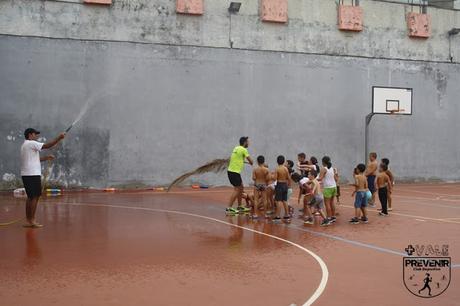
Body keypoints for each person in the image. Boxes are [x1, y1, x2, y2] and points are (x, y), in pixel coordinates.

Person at [21, 128, 66, 228]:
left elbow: (34, 159)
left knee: (31, 197)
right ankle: (32, 220)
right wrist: (59, 137)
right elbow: (47, 145)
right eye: (35, 134)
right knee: (35, 197)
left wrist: (46, 158)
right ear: (30, 135)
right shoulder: (31, 143)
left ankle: (29, 220)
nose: (36, 136)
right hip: (32, 174)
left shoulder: (25, 145)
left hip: (27, 174)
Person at [226, 137, 253, 214]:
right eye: (248, 142)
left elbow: (236, 158)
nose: (249, 143)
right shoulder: (244, 150)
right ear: (244, 142)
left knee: (241, 188)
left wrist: (241, 160)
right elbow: (251, 161)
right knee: (237, 189)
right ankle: (229, 208)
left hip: (233, 172)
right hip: (234, 172)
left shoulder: (236, 148)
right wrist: (251, 163)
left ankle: (240, 206)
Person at [319, 156, 338, 223]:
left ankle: (329, 217)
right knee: (332, 202)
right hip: (334, 187)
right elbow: (336, 179)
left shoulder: (323, 169)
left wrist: (312, 179)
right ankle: (333, 216)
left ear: (323, 162)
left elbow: (320, 178)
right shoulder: (333, 169)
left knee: (327, 204)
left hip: (327, 188)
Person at [273, 155, 291, 223]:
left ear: (277, 161)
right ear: (283, 161)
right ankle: (287, 214)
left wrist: (272, 176)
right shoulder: (285, 168)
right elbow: (288, 178)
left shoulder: (277, 169)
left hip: (279, 185)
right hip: (285, 185)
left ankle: (278, 215)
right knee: (284, 200)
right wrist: (289, 185)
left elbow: (275, 178)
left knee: (278, 201)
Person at [252, 155, 270, 220]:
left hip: (257, 184)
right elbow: (268, 178)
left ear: (257, 161)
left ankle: (255, 214)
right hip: (263, 184)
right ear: (263, 161)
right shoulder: (266, 169)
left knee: (256, 200)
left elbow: (253, 178)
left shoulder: (255, 169)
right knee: (264, 199)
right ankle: (265, 214)